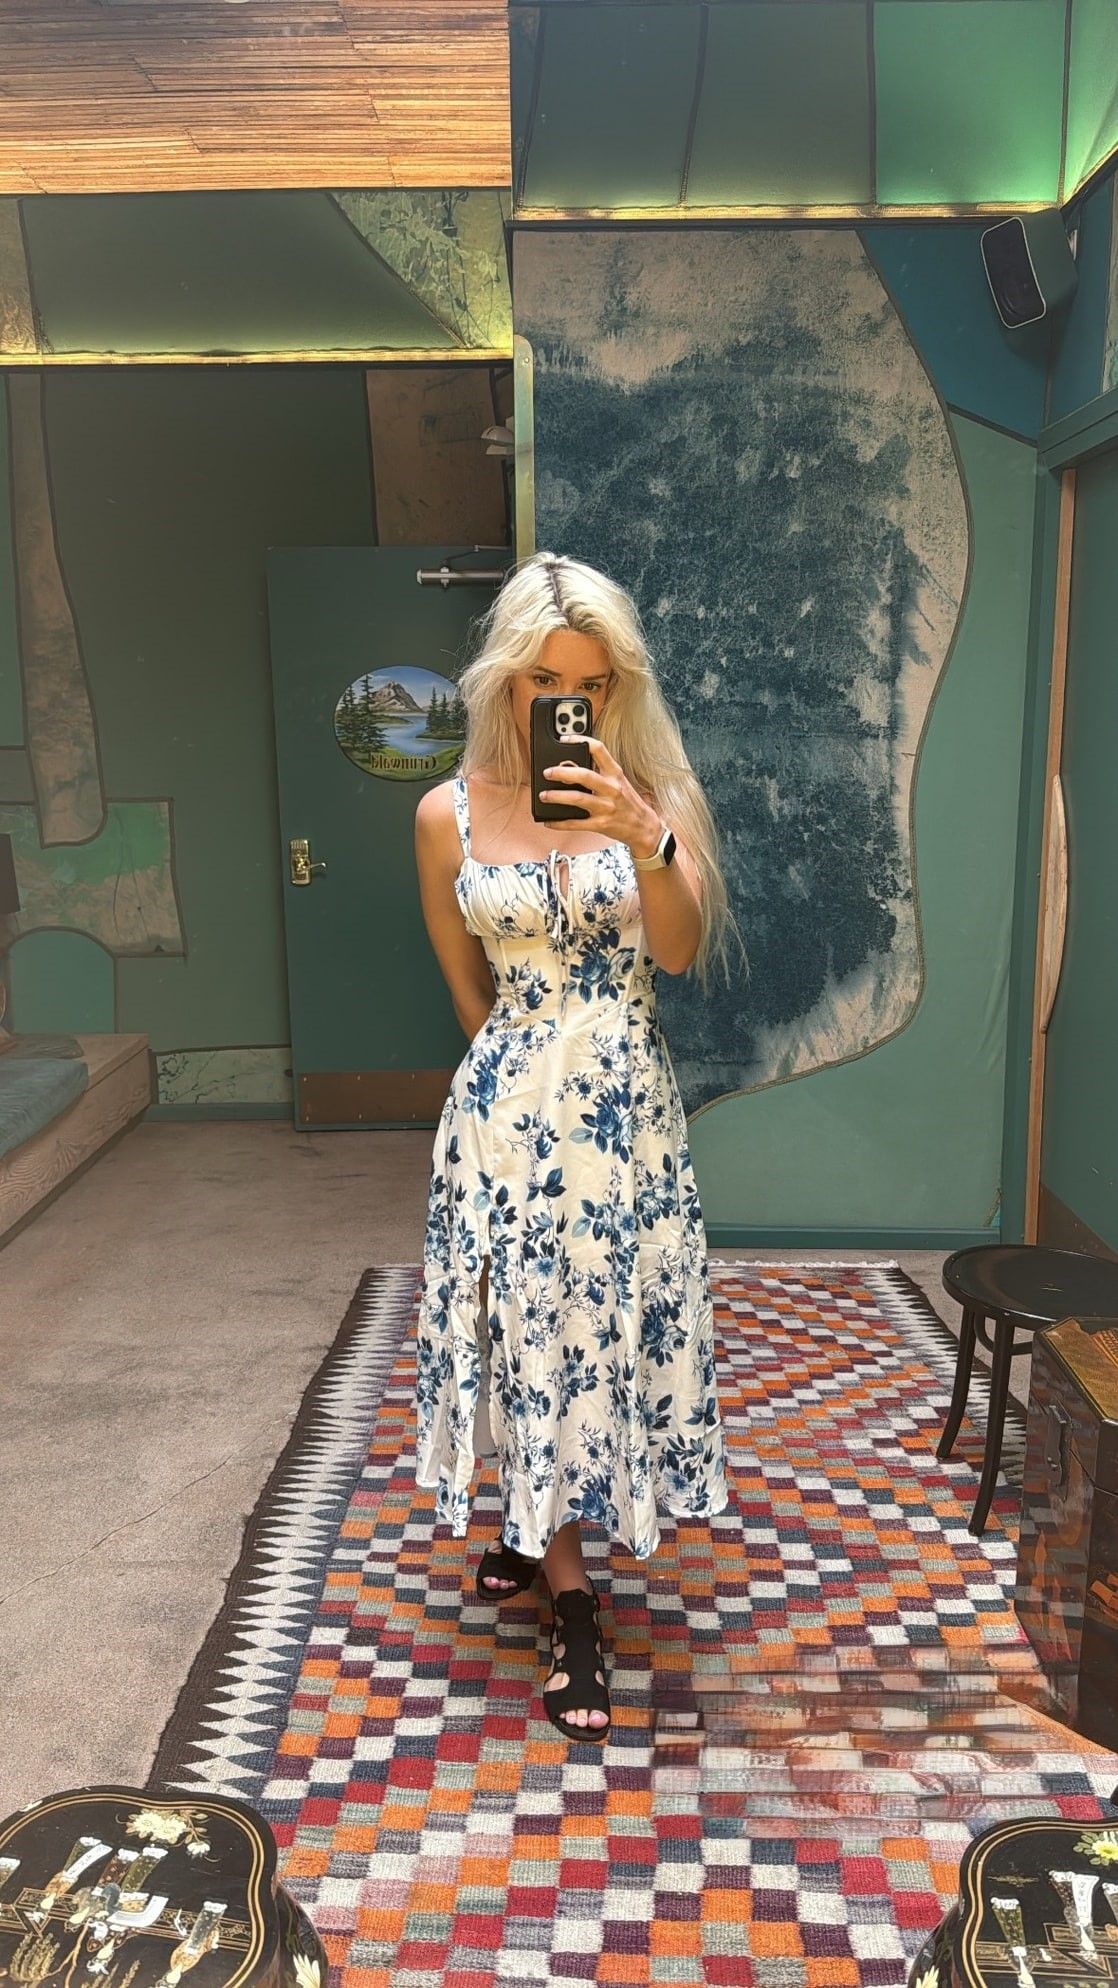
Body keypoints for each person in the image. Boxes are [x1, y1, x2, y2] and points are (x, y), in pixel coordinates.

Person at [413, 551, 739, 1742]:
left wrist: (646, 836)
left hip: (624, 1125)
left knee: (607, 1328)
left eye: (592, 684)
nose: (568, 702)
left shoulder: (653, 793)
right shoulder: (444, 815)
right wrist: (521, 1090)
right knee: (523, 1335)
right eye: (545, 680)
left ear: (617, 687)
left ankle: (543, 1525)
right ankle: (570, 1599)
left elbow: (679, 951)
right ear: (505, 677)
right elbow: (468, 992)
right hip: (505, 1123)